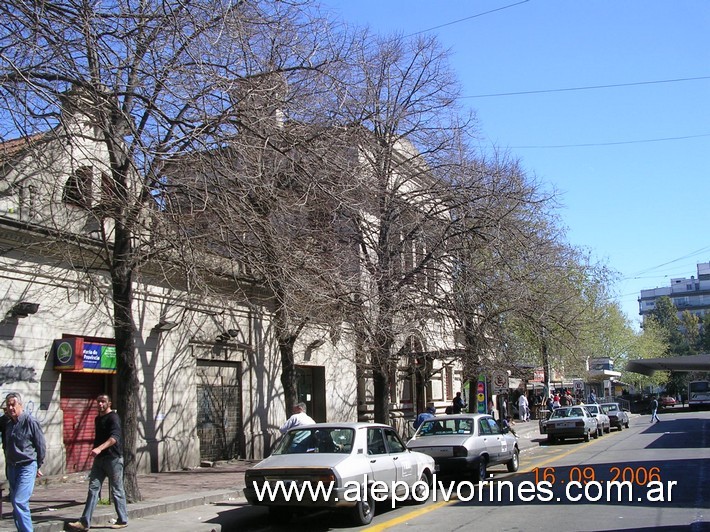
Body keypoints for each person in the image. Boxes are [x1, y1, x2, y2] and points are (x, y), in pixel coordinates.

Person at [69, 394, 128, 531]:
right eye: (98, 402)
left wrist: (99, 448)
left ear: (109, 403)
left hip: (113, 459)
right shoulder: (98, 419)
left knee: (117, 490)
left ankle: (123, 519)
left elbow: (115, 438)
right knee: (93, 489)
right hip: (99, 460)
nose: (100, 404)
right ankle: (84, 522)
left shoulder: (113, 418)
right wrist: (96, 451)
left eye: (103, 402)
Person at [2, 392, 46, 532]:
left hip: (27, 466)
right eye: (8, 405)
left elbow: (41, 446)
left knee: (19, 501)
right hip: (12, 467)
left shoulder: (30, 422)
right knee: (16, 504)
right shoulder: (8, 423)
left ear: (20, 405)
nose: (10, 408)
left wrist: (37, 465)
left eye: (13, 405)